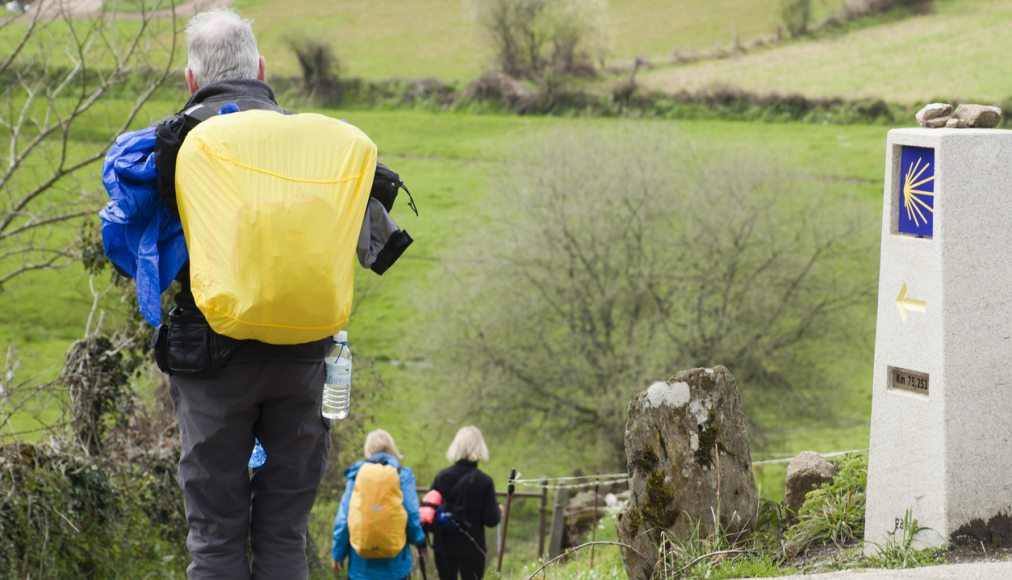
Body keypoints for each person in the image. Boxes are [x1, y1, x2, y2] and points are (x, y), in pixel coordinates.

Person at [151, 9, 356, 579]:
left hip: (211, 362)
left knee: (216, 538)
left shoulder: (177, 142)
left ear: (192, 80)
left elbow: (141, 246)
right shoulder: (311, 149)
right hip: (302, 356)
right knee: (284, 536)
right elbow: (368, 243)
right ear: (262, 70)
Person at [331, 429, 427, 578]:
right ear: (392, 448)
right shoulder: (402, 474)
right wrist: (419, 540)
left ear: (368, 450)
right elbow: (412, 514)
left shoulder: (357, 475)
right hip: (396, 567)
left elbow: (343, 520)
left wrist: (338, 554)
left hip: (360, 568)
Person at [428, 426, 501, 580]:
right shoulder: (485, 481)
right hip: (472, 547)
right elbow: (491, 520)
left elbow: (429, 511)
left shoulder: (441, 477)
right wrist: (499, 510)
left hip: (444, 546)